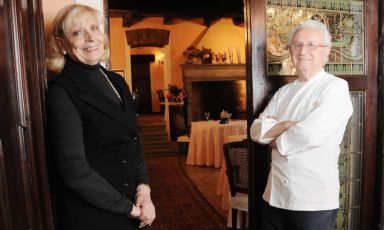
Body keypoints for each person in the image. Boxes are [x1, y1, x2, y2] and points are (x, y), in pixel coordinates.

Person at [45, 4, 155, 230]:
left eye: (94, 28)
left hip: (131, 206)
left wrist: (144, 191)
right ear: (62, 44)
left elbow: (134, 142)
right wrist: (131, 209)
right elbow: (74, 172)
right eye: (78, 32)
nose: (90, 37)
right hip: (93, 215)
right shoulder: (62, 91)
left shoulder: (117, 82)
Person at [250, 19, 353, 230]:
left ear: (327, 51)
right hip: (275, 195)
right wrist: (287, 125)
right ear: (290, 50)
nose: (303, 50)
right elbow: (255, 130)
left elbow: (309, 134)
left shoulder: (335, 88)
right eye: (297, 45)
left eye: (312, 45)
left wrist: (274, 138)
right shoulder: (284, 92)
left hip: (313, 200)